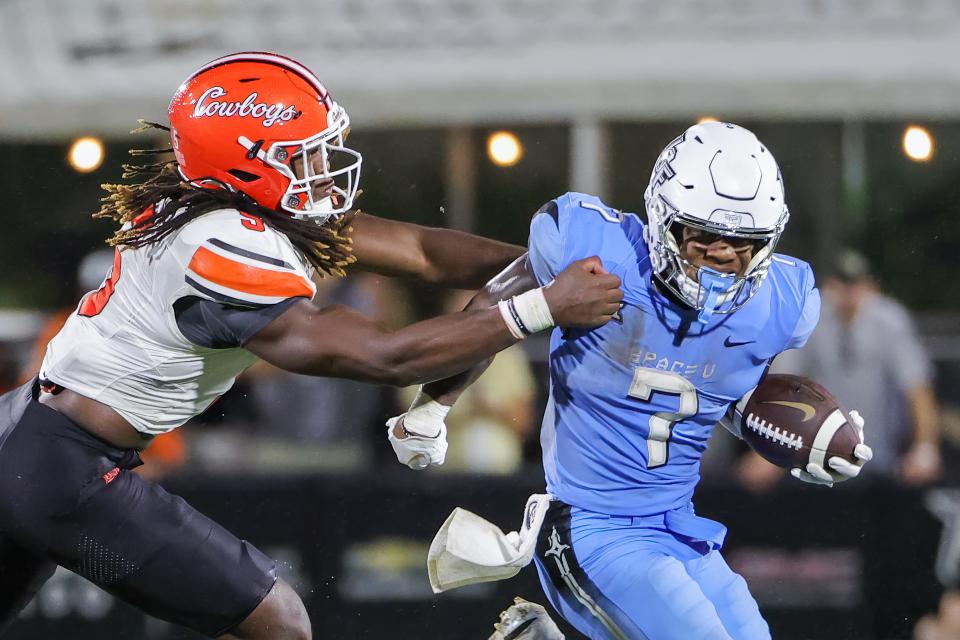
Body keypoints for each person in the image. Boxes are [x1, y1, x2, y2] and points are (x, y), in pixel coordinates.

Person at [0, 51, 623, 640]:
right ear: (247, 163)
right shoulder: (221, 245)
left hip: (29, 435)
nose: (324, 171)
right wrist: (546, 305)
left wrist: (538, 263)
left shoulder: (224, 206)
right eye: (304, 156)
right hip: (64, 467)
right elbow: (388, 356)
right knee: (280, 622)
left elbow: (424, 252)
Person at [395, 122, 873, 639]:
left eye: (740, 245)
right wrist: (434, 400)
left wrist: (803, 440)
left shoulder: (779, 302)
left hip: (677, 528)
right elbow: (496, 306)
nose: (720, 259)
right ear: (663, 220)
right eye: (703, 238)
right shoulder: (599, 252)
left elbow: (716, 395)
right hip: (588, 530)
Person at [772, 248, 941, 485]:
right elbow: (782, 382)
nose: (849, 292)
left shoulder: (889, 320)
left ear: (871, 286)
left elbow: (917, 386)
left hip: (881, 457)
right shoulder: (811, 318)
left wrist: (925, 447)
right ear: (830, 285)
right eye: (842, 283)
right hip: (816, 453)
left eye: (856, 284)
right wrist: (771, 447)